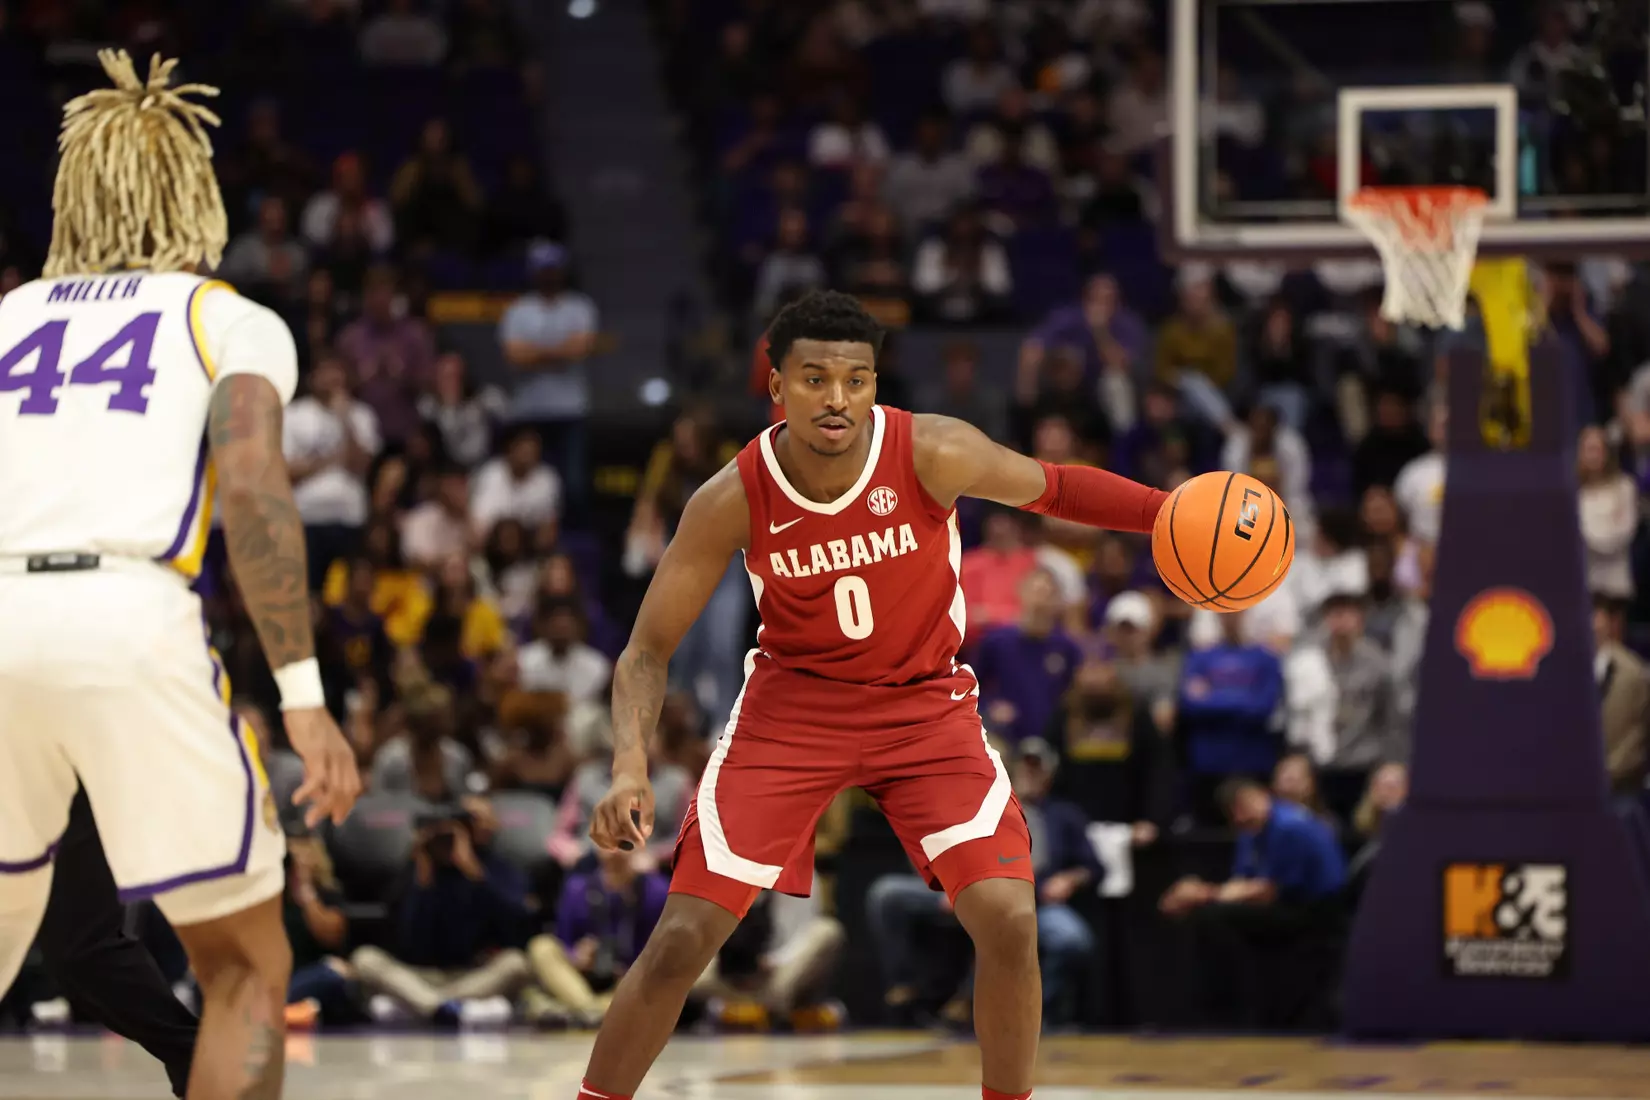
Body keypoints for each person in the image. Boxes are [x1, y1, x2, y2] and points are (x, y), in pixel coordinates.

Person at [577, 290, 1175, 1100]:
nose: (837, 398)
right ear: (777, 387)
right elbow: (647, 650)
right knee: (682, 936)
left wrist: (1170, 515)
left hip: (923, 706)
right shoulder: (731, 497)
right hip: (793, 712)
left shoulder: (934, 449)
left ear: (875, 385)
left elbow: (1057, 488)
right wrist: (627, 765)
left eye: (856, 379)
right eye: (815, 377)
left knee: (1011, 918)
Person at [0, 52, 360, 1099]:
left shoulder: (10, 316)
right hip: (125, 611)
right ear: (192, 194)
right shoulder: (226, 317)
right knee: (246, 965)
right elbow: (250, 487)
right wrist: (305, 699)